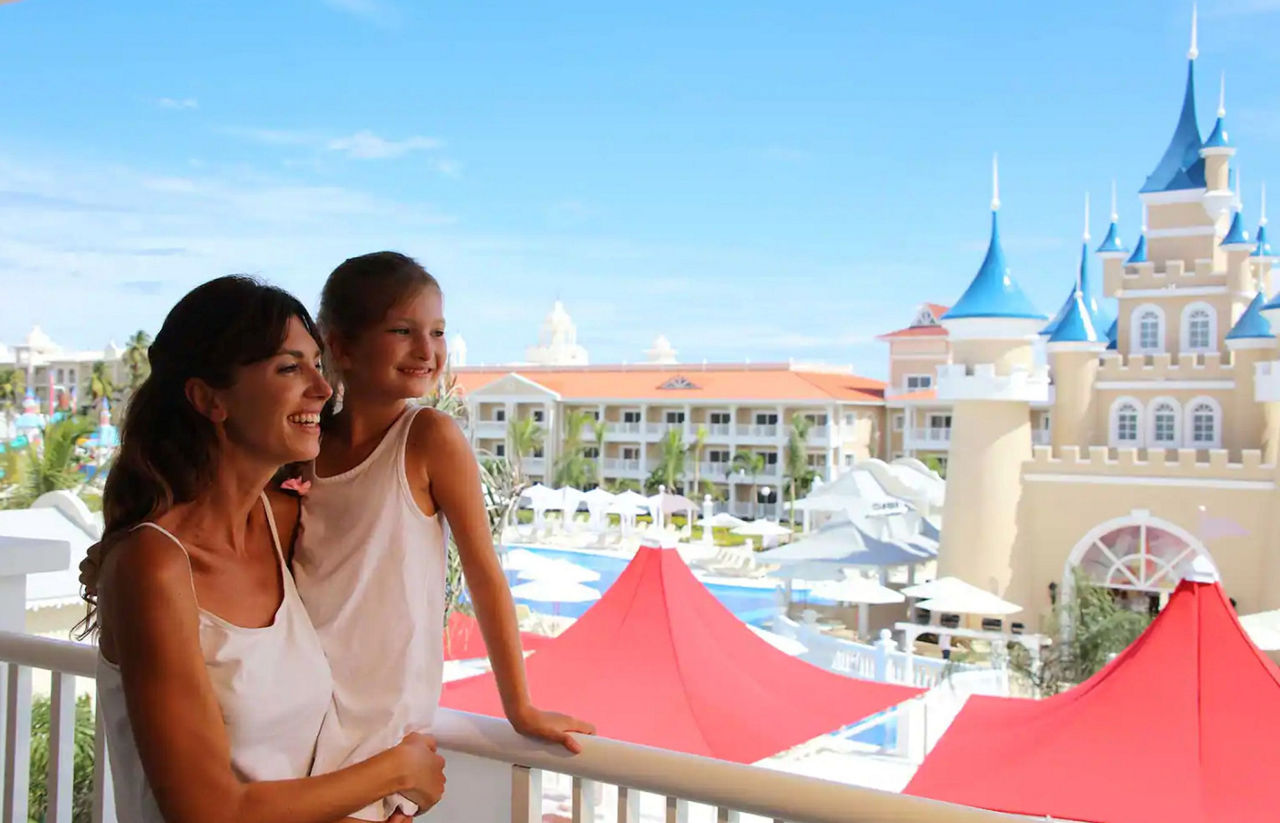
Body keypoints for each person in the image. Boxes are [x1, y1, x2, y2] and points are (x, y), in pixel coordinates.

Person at [81, 276, 445, 823]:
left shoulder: (280, 524)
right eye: (289, 368)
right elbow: (208, 811)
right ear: (208, 398)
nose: (323, 389)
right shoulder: (154, 567)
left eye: (318, 365)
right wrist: (397, 770)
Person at [291, 251, 593, 820]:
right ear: (343, 346)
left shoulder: (428, 437)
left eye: (437, 331)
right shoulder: (306, 446)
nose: (427, 350)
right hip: (296, 705)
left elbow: (483, 572)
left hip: (381, 727)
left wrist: (519, 707)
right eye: (402, 330)